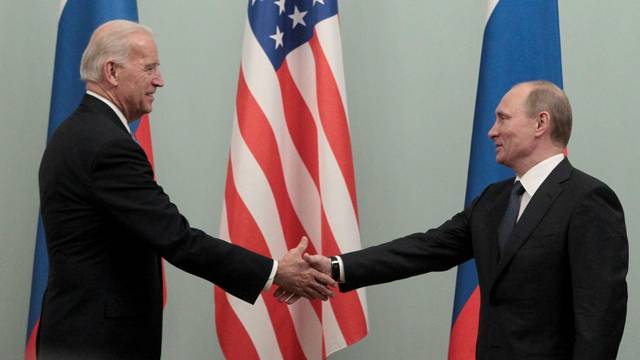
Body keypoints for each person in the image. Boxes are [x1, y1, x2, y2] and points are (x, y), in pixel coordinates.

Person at [37, 20, 334, 359]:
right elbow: (177, 238)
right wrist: (275, 272)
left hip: (77, 335)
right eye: (149, 68)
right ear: (113, 72)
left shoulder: (76, 133)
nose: (159, 80)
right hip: (99, 343)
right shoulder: (106, 147)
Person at [291, 81, 628, 359]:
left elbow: (599, 318)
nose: (491, 132)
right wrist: (336, 267)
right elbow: (425, 248)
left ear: (541, 123)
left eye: (503, 119)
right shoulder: (494, 201)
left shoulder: (587, 200)